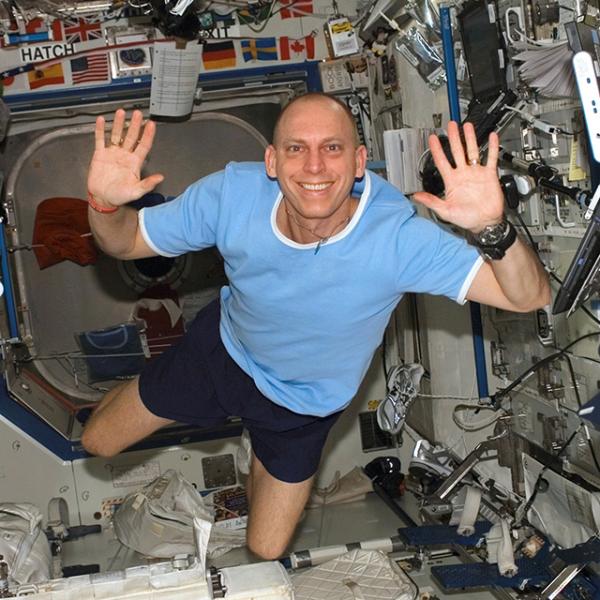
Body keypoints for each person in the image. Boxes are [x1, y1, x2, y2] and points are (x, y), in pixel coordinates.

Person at [81, 93, 550, 559]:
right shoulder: (230, 196)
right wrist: (103, 205)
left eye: (332, 147)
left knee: (265, 549)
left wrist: (493, 228)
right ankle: (230, 424)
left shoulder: (397, 238)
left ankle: (261, 447)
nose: (314, 166)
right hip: (224, 353)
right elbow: (125, 243)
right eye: (295, 148)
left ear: (360, 160)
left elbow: (529, 296)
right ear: (270, 160)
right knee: (96, 441)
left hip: (303, 403)